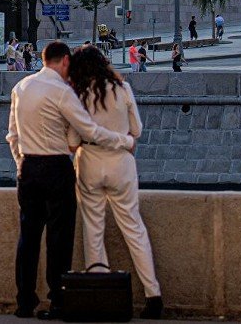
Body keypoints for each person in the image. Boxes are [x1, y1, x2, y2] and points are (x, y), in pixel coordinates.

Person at [6, 41, 135, 320]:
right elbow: (89, 130)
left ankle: (24, 302)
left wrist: (22, 163)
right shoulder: (62, 92)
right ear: (65, 61)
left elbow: (12, 136)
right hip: (55, 167)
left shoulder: (21, 88)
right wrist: (123, 141)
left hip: (28, 168)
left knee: (28, 237)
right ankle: (57, 301)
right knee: (59, 237)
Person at [66, 45, 163, 319]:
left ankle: (100, 296)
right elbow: (138, 131)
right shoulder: (123, 89)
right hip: (121, 162)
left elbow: (72, 141)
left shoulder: (78, 95)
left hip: (89, 162)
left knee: (93, 229)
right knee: (133, 228)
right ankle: (153, 295)